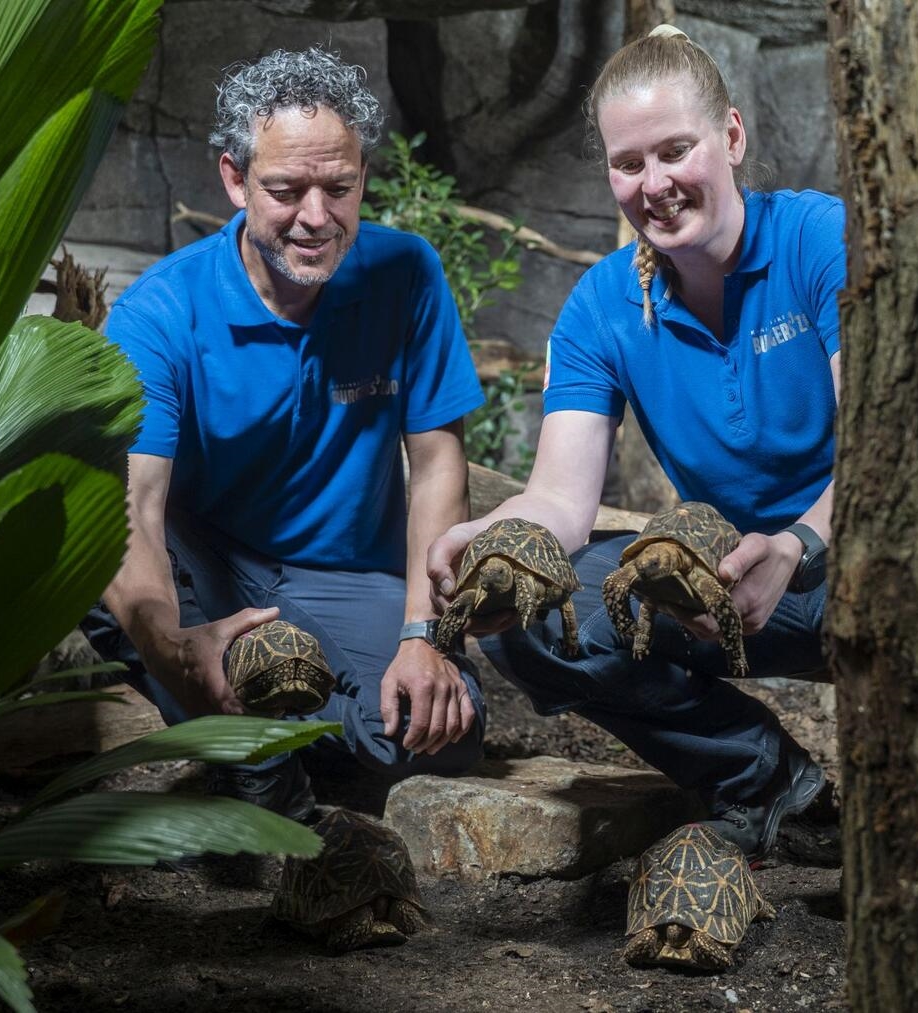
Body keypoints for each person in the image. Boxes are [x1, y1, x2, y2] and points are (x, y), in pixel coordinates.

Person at [427, 25, 841, 862]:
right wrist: (505, 542)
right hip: (718, 585)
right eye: (627, 163)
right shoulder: (602, 306)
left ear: (730, 136)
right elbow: (561, 497)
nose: (654, 185)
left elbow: (885, 447)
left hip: (854, 559)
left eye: (675, 150)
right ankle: (774, 787)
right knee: (538, 616)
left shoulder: (820, 240)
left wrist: (798, 546)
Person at [82, 47, 487, 821]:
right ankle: (245, 735)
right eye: (285, 189)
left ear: (364, 174)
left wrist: (421, 633)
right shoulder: (161, 313)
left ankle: (259, 733)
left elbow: (437, 464)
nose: (315, 217)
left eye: (339, 188)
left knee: (447, 724)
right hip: (206, 559)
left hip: (342, 572)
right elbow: (135, 506)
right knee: (105, 582)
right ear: (234, 180)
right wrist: (172, 645)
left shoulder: (407, 275)